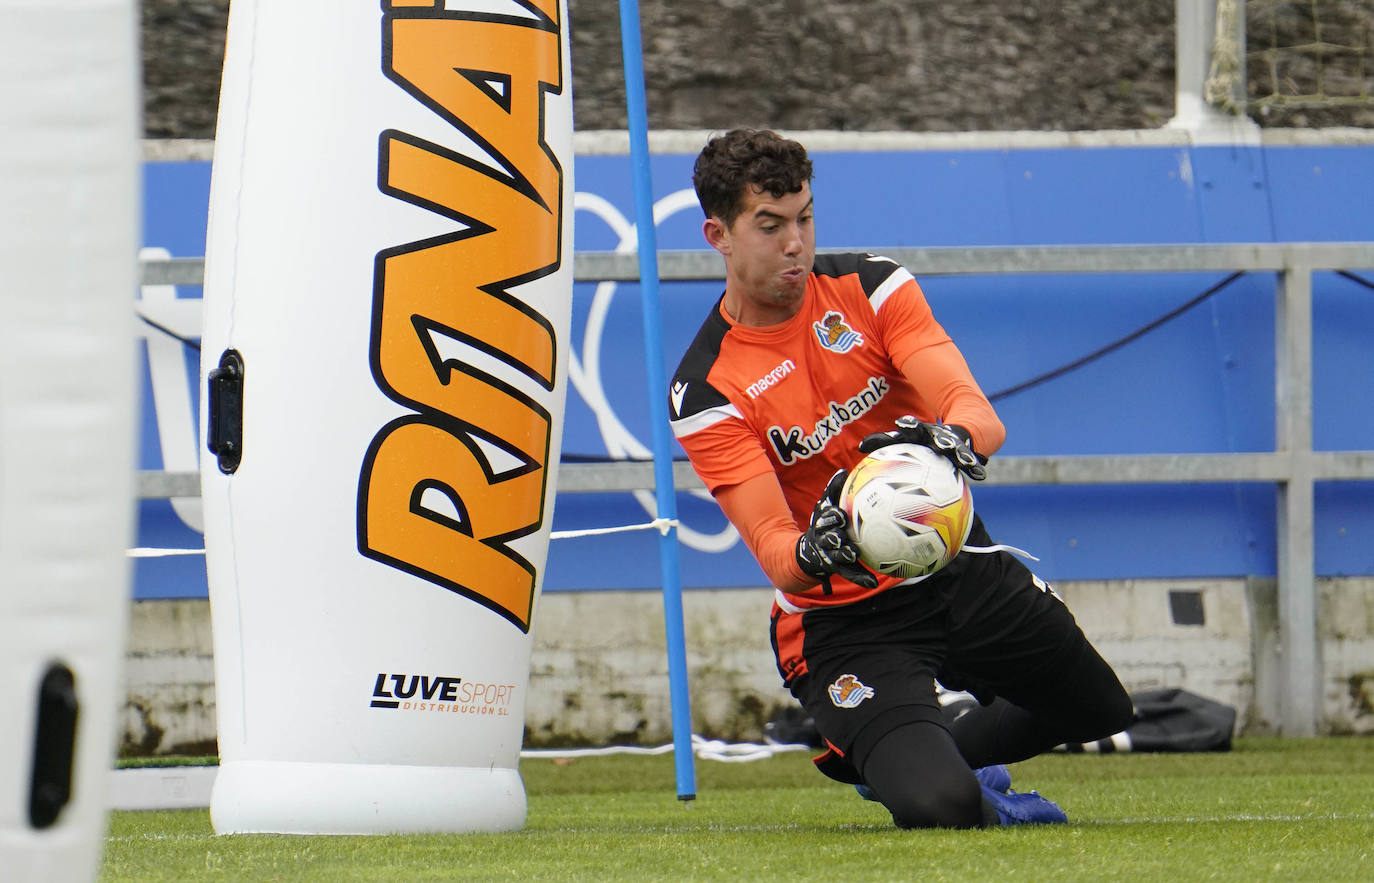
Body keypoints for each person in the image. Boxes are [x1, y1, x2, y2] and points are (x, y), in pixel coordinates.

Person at [668, 129, 1134, 829]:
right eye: (770, 225)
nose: (795, 241)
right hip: (844, 618)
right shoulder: (705, 388)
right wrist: (817, 549)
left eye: (804, 216)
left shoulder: (871, 285)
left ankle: (920, 749)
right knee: (940, 806)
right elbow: (774, 547)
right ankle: (890, 756)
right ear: (719, 234)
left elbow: (978, 414)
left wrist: (953, 438)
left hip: (954, 562)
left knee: (1098, 708)